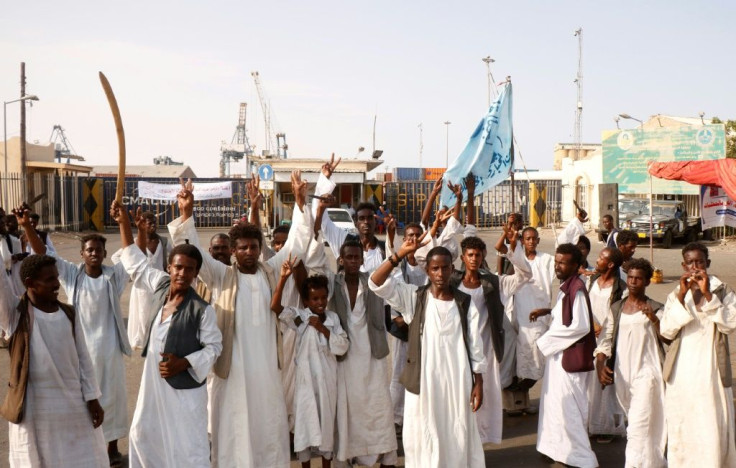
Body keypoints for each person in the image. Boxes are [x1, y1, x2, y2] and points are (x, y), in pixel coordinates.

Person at [168, 172, 312, 468]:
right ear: (233, 252)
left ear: (261, 249)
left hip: (266, 370)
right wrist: (186, 214)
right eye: (243, 248)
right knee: (233, 425)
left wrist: (300, 204)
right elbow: (192, 250)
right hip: (232, 369)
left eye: (254, 247)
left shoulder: (272, 271)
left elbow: (296, 245)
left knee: (268, 422)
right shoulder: (221, 276)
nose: (249, 252)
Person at [111, 201, 222, 467]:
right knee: (143, 434)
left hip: (184, 391)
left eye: (189, 269)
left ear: (196, 274)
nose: (183, 273)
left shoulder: (201, 309)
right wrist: (125, 224)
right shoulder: (160, 286)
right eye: (178, 267)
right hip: (153, 384)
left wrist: (184, 362)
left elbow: (214, 347)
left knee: (187, 446)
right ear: (169, 268)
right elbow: (135, 263)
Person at [21, 208, 132, 465]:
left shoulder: (113, 277)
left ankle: (111, 447)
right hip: (78, 350)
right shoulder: (72, 275)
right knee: (81, 399)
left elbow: (129, 256)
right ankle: (85, 446)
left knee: (112, 397)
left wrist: (124, 223)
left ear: (105, 254)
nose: (94, 253)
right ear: (82, 254)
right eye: (89, 250)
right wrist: (28, 227)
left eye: (98, 250)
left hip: (109, 349)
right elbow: (42, 255)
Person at [370, 243, 486, 468]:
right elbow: (375, 282)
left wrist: (478, 382)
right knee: (425, 432)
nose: (440, 274)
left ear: (452, 269)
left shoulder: (464, 303)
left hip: (457, 381)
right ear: (428, 271)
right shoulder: (414, 298)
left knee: (457, 429)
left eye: (445, 268)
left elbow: (475, 345)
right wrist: (400, 254)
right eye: (435, 269)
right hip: (424, 382)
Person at [0, 252, 108, 467]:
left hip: (73, 404)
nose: (57, 283)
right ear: (30, 283)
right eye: (50, 279)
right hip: (34, 407)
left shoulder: (69, 314)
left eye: (57, 277)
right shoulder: (15, 315)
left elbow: (83, 359)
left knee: (85, 457)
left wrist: (93, 397)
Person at [660, 242, 736, 467]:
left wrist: (707, 295)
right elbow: (666, 330)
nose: (695, 267)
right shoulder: (676, 293)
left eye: (699, 262)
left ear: (707, 264)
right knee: (684, 420)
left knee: (710, 419)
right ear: (684, 265)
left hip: (710, 366)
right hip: (682, 367)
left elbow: (730, 324)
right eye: (690, 263)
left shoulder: (722, 290)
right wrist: (683, 296)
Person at [452, 234, 531, 444]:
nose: (474, 258)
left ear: (483, 256)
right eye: (470, 254)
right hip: (457, 348)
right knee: (458, 395)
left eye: (478, 255)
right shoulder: (452, 283)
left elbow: (524, 275)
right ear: (463, 256)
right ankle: (460, 440)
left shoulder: (493, 283)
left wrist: (512, 251)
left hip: (486, 347)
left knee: (485, 394)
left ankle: (479, 440)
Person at [595, 258, 667, 467]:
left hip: (648, 374)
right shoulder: (617, 308)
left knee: (637, 426)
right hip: (623, 375)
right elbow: (606, 340)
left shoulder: (656, 307)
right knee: (641, 426)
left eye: (639, 279)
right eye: (631, 278)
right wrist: (601, 365)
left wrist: (653, 319)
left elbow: (668, 338)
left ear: (647, 282)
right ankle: (653, 462)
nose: (634, 282)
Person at [531, 243, 598, 468]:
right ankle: (556, 448)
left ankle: (582, 457)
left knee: (570, 409)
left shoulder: (576, 288)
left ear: (576, 266)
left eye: (563, 263)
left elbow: (580, 325)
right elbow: (564, 317)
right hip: (558, 358)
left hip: (569, 359)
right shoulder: (566, 287)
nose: (558, 266)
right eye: (557, 261)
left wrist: (545, 341)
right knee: (554, 406)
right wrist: (548, 312)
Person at [273, 271, 349, 468]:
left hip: (327, 382)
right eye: (315, 299)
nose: (320, 302)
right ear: (306, 301)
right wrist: (282, 279)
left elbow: (342, 345)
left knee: (326, 427)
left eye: (323, 297)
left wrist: (323, 328)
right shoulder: (300, 317)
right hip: (305, 384)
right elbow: (275, 307)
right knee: (305, 426)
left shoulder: (332, 319)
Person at [505, 227, 555, 414]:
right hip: (522, 316)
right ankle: (518, 400)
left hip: (541, 316)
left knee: (539, 359)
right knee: (523, 357)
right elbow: (508, 279)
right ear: (522, 241)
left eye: (534, 239)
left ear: (538, 240)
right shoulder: (518, 260)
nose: (531, 242)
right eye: (527, 239)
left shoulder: (547, 260)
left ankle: (518, 390)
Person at [385, 220, 427, 430]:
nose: (413, 239)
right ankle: (395, 418)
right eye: (410, 235)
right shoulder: (399, 266)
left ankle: (418, 418)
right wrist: (399, 319)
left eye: (417, 235)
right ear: (404, 239)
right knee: (399, 374)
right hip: (404, 330)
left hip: (425, 330)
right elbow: (391, 292)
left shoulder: (428, 264)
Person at [313, 154, 386, 273]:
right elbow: (323, 222)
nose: (366, 222)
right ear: (356, 223)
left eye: (369, 218)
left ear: (376, 221)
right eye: (362, 218)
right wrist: (325, 182)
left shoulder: (384, 249)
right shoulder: (344, 240)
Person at [113, 209, 172, 350]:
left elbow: (174, 254)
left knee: (159, 313)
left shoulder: (163, 242)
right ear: (143, 224)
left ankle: (156, 338)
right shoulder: (135, 243)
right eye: (150, 223)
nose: (153, 226)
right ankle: (143, 341)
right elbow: (117, 257)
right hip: (141, 285)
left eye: (154, 223)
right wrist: (130, 273)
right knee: (142, 313)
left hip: (159, 283)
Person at [585, 247, 627, 443]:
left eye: (601, 257)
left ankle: (606, 426)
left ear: (610, 264)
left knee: (605, 381)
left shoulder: (621, 288)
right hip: (588, 336)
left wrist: (606, 329)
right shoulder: (592, 281)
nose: (597, 259)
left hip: (608, 338)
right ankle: (591, 423)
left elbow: (622, 314)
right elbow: (583, 304)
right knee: (589, 381)